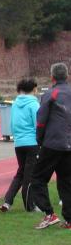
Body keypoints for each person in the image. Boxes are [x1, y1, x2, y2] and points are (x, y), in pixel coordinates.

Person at [31, 62, 71, 230]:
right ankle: (69, 220)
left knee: (37, 178)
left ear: (52, 77)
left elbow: (41, 121)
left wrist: (39, 141)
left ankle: (49, 213)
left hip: (53, 143)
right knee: (66, 181)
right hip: (69, 145)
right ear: (67, 76)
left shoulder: (51, 94)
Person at [0, 78, 39, 212]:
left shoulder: (15, 104)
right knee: (30, 174)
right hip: (32, 142)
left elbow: (12, 123)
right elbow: (37, 124)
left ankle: (7, 201)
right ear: (34, 89)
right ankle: (30, 205)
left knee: (20, 173)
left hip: (19, 143)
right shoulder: (34, 104)